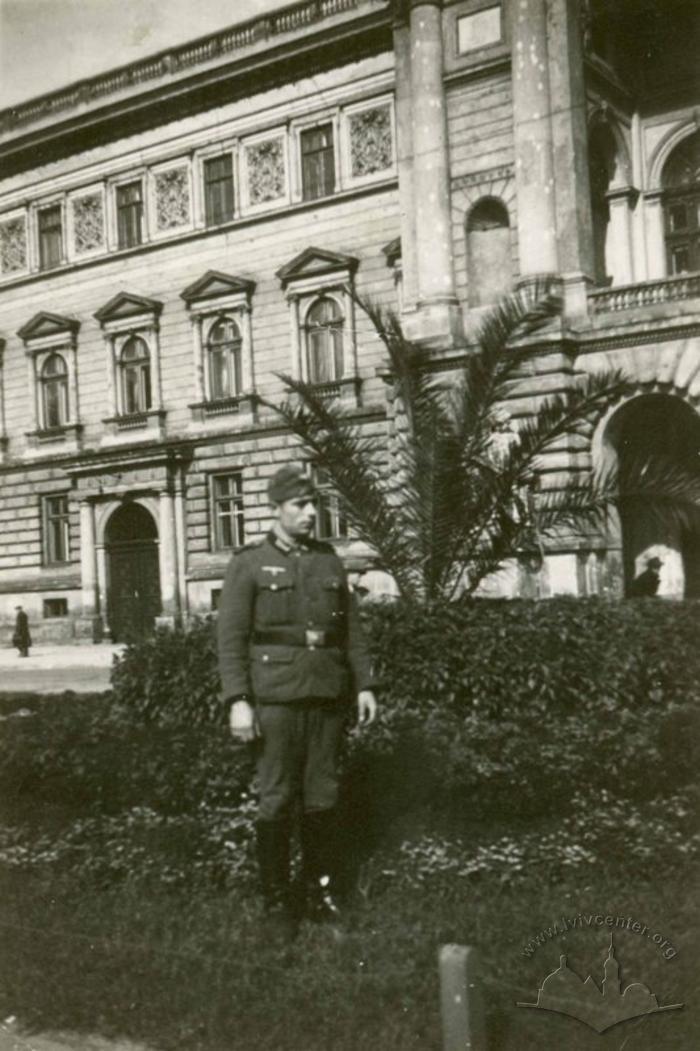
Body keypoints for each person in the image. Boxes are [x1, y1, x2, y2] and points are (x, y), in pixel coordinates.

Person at [217, 464, 378, 938]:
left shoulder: (328, 560)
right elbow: (231, 639)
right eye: (300, 506)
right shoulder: (248, 563)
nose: (311, 513)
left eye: (314, 505)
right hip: (277, 699)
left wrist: (365, 684)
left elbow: (350, 630)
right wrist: (238, 700)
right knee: (277, 796)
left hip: (326, 694)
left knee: (323, 795)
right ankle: (275, 901)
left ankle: (320, 892)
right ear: (275, 509)